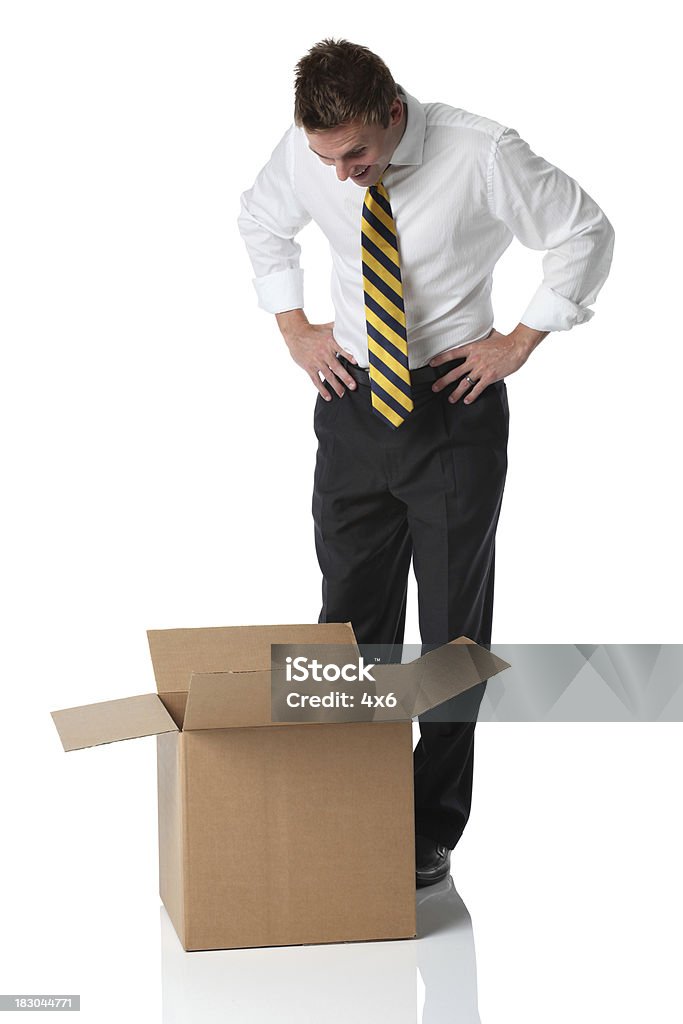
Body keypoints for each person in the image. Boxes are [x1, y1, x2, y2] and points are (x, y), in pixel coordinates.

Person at [237, 38, 614, 887]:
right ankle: (345, 801)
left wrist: (519, 340)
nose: (341, 175)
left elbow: (583, 230)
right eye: (326, 158)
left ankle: (425, 829)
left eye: (357, 155)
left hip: (450, 402)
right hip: (350, 404)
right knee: (347, 623)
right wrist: (293, 327)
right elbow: (259, 219)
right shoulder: (311, 154)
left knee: (449, 631)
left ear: (393, 112)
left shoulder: (480, 152)